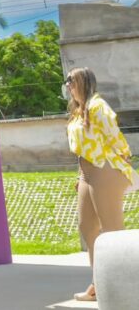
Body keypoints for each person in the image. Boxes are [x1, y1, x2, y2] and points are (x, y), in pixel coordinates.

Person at [62, 67, 137, 303]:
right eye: (67, 82)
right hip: (86, 171)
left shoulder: (97, 105)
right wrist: (79, 176)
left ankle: (127, 287)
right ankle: (99, 285)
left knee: (112, 231)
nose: (68, 86)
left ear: (83, 82)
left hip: (103, 168)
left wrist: (123, 157)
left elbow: (114, 136)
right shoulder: (78, 111)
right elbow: (81, 148)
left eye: (71, 81)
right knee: (87, 227)